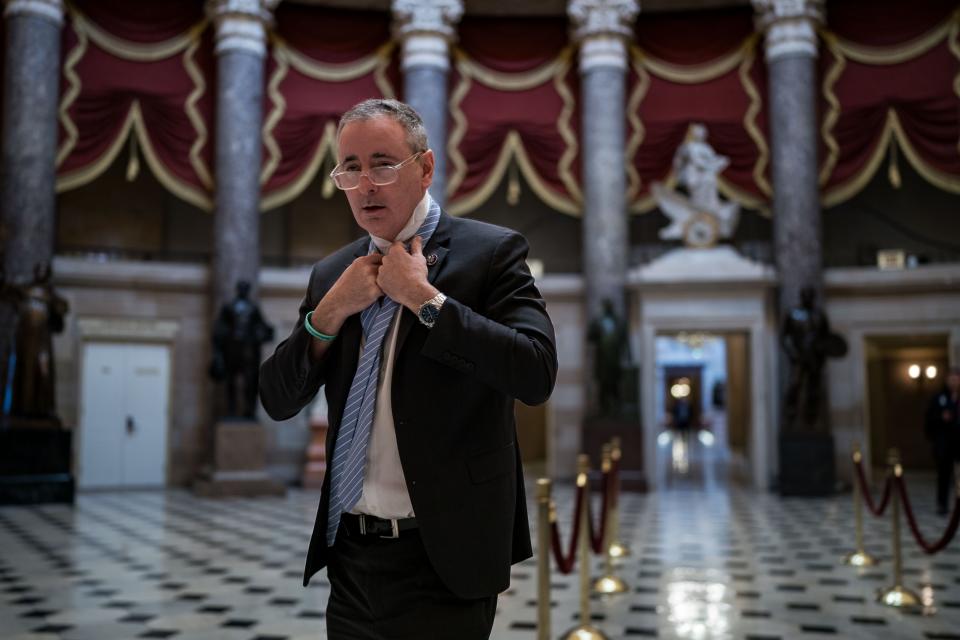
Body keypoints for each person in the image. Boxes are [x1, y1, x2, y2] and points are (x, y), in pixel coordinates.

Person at [259, 99, 557, 639]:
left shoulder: (491, 253)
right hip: (351, 555)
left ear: (424, 169)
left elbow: (536, 372)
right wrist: (330, 311)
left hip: (446, 554)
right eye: (350, 167)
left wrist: (423, 298)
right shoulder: (334, 272)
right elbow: (278, 399)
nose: (365, 183)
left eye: (382, 163)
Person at [210, 280, 274, 419]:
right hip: (231, 349)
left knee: (250, 381)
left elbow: (261, 324)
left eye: (246, 288)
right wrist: (217, 352)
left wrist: (266, 332)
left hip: (248, 350)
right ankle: (231, 410)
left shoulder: (253, 308)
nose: (243, 290)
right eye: (242, 288)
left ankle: (249, 411)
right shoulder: (228, 307)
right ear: (238, 290)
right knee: (230, 381)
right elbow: (219, 327)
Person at [925, 367, 960, 515]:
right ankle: (942, 504)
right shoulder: (939, 398)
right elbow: (928, 419)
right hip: (945, 443)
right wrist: (941, 418)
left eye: (956, 378)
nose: (953, 381)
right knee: (944, 475)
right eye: (951, 378)